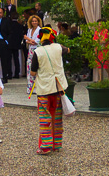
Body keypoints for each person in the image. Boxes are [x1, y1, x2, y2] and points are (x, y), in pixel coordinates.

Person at [30, 27, 69, 155]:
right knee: (57, 117)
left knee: (45, 116)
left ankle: (46, 146)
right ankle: (57, 144)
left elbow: (33, 72)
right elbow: (67, 50)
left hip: (44, 89)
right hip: (58, 88)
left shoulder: (38, 52)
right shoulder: (58, 47)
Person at [24, 15, 42, 94]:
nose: (34, 22)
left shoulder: (40, 30)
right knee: (29, 68)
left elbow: (36, 41)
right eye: (33, 21)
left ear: (38, 22)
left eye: (35, 21)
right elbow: (27, 42)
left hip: (36, 50)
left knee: (36, 68)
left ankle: (37, 87)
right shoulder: (29, 30)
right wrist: (29, 40)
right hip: (30, 50)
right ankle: (30, 87)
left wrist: (28, 39)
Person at [7, 10, 24, 79]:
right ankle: (17, 73)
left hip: (9, 43)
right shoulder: (20, 26)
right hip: (17, 44)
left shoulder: (9, 25)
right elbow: (21, 35)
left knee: (9, 59)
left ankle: (10, 73)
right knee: (16, 59)